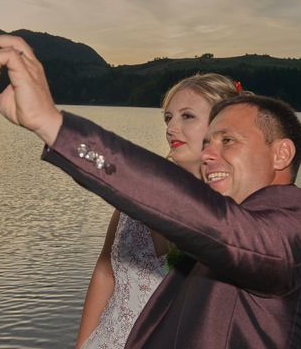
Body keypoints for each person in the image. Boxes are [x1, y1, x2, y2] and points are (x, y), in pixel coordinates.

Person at [0, 35, 301, 348]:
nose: (209, 154)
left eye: (227, 140)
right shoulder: (217, 236)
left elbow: (208, 222)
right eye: (208, 142)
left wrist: (53, 124)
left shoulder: (297, 220)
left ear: (281, 153)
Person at [77, 74, 242, 348]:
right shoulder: (137, 194)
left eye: (187, 116)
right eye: (168, 118)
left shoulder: (232, 212)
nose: (171, 128)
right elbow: (106, 270)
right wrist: (83, 343)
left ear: (222, 126)